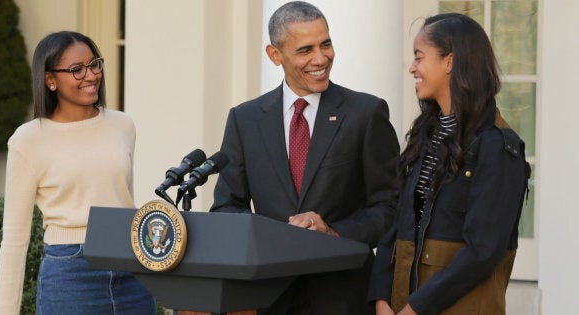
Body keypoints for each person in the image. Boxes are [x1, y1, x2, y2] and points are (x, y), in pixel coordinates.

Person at [210, 2, 400, 314]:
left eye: (326, 44)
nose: (321, 58)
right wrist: (273, 237)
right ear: (275, 55)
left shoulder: (366, 113)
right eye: (305, 49)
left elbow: (391, 206)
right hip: (268, 298)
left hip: (344, 299)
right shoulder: (245, 120)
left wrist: (334, 232)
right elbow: (227, 207)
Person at [368, 13, 529, 315]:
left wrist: (416, 308)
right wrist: (381, 300)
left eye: (419, 58)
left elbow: (482, 251)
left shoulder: (497, 146)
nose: (412, 68)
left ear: (450, 62)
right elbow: (396, 225)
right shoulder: (425, 136)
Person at [0, 31, 156, 315]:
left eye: (94, 64)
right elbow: (15, 239)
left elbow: (122, 200)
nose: (91, 75)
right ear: (50, 80)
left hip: (131, 264)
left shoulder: (122, 125)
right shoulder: (28, 139)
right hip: (69, 272)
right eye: (76, 69)